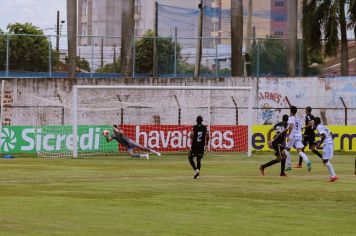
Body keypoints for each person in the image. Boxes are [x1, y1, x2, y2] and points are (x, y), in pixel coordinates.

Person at [285, 106, 312, 171]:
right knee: (299, 150)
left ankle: (288, 166)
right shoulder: (298, 118)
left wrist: (288, 135)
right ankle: (307, 161)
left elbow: (291, 126)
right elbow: (300, 127)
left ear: (290, 111)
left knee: (286, 150)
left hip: (292, 136)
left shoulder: (290, 118)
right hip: (299, 136)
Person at [314, 117, 338, 182]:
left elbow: (324, 136)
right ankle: (333, 176)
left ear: (315, 122)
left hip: (328, 144)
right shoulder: (323, 126)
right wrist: (319, 141)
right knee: (325, 160)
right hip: (329, 143)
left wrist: (319, 144)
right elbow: (330, 133)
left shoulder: (318, 127)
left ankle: (333, 176)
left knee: (325, 160)